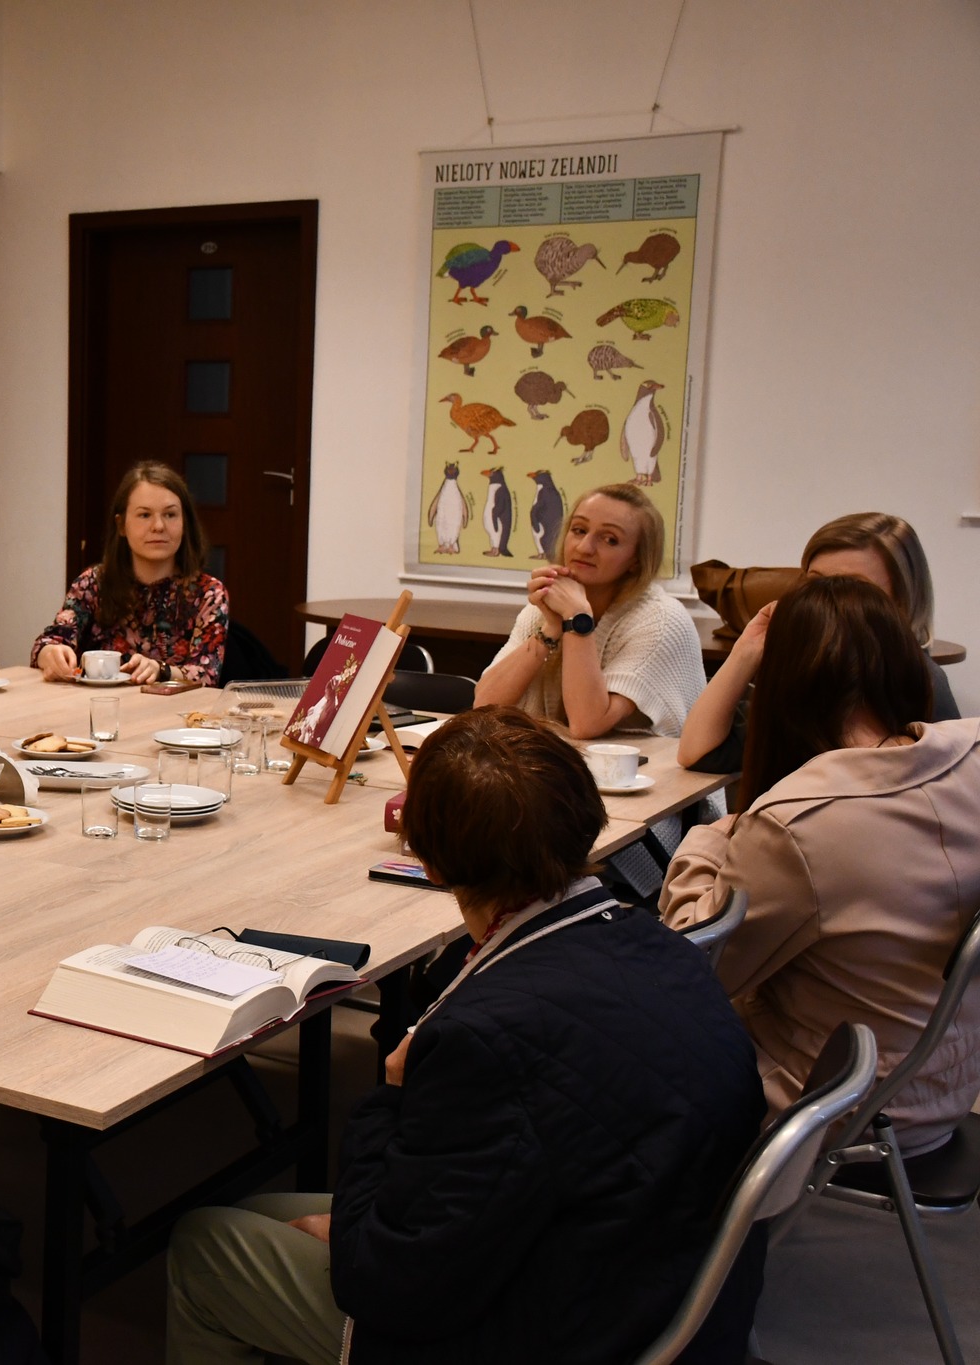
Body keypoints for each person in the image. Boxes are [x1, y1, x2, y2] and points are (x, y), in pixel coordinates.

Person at [168, 707, 763, 1365]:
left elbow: (390, 1287)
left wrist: (391, 1098)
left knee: (204, 1242)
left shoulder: (484, 1035)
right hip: (657, 1273)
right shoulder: (658, 944)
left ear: (429, 857)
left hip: (560, 1323)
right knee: (264, 1207)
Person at [662, 576, 980, 1154]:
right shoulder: (970, 754)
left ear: (779, 687)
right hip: (948, 1084)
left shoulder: (800, 822)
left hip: (838, 1105)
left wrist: (708, 840)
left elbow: (696, 969)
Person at [679, 511, 959, 770]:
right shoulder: (808, 670)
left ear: (899, 601)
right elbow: (696, 752)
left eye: (852, 588)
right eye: (815, 583)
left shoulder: (923, 681)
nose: (827, 602)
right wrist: (747, 650)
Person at [475, 482, 704, 738]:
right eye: (579, 530)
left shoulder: (662, 621)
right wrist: (551, 628)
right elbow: (484, 706)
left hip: (650, 773)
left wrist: (576, 619)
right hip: (568, 766)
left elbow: (586, 723)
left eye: (610, 540)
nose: (584, 547)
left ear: (636, 559)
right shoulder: (548, 606)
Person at [32, 461, 228, 685]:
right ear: (122, 525)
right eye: (144, 515)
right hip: (100, 708)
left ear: (185, 523)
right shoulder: (94, 582)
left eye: (170, 515)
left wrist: (162, 670)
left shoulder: (208, 593)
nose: (158, 526)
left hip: (174, 714)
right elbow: (54, 638)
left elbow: (207, 674)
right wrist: (49, 653)